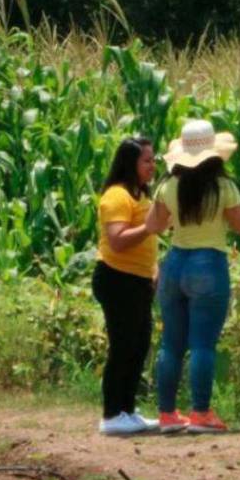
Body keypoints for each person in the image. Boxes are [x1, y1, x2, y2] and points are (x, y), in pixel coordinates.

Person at [145, 119, 240, 434]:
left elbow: (154, 226)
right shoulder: (223, 187)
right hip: (209, 263)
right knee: (203, 344)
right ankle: (201, 413)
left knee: (171, 344)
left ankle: (166, 414)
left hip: (175, 262)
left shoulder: (168, 185)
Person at [93, 137, 168, 436]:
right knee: (122, 346)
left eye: (153, 160)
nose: (153, 166)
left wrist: (154, 267)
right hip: (116, 277)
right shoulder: (116, 196)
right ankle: (111, 414)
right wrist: (149, 227)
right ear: (130, 163)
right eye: (147, 161)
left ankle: (127, 410)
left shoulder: (141, 194)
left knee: (138, 345)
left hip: (137, 280)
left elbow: (148, 239)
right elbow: (117, 240)